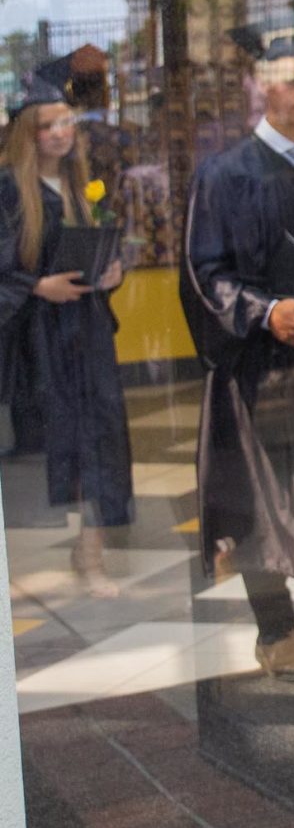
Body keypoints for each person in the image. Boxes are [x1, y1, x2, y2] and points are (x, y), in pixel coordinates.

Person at [181, 25, 294, 682]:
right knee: (260, 507)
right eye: (288, 78)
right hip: (257, 369)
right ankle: (277, 633)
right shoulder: (225, 172)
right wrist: (265, 311)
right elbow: (202, 271)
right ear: (261, 86)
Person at [0, 90, 132, 598]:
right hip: (34, 342)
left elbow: (92, 256)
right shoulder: (9, 191)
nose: (60, 133)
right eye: (47, 125)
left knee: (98, 443)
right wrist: (36, 288)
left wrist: (111, 273)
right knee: (38, 451)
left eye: (66, 123)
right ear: (27, 134)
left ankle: (91, 557)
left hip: (87, 335)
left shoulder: (84, 188)